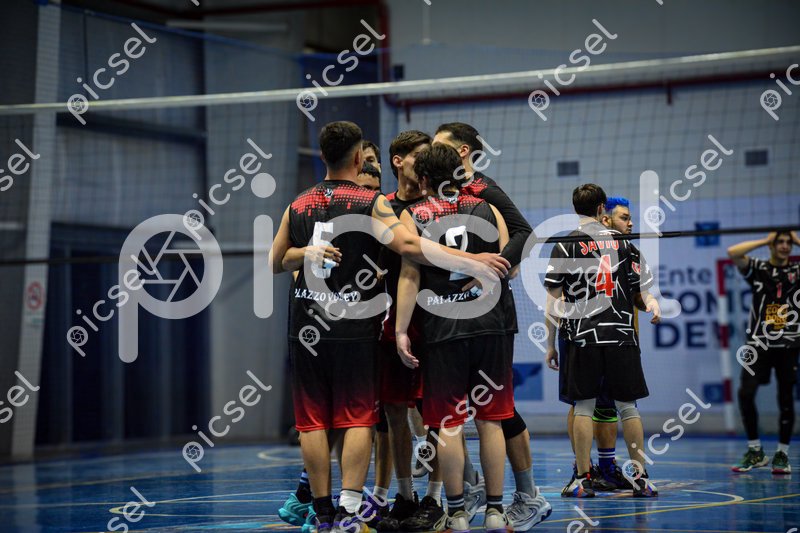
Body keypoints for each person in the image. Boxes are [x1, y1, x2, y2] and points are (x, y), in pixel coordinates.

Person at [271, 121, 510, 533]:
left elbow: (276, 261)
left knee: (312, 422)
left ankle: (323, 511)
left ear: (323, 155)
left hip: (308, 322)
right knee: (360, 418)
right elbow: (410, 247)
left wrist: (306, 251)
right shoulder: (374, 202)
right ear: (359, 157)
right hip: (360, 325)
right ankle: (353, 509)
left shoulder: (298, 202)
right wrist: (475, 262)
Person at [433, 122, 550, 529]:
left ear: (462, 151)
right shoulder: (434, 196)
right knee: (459, 415)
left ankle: (526, 496)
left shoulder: (481, 187)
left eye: (440, 146)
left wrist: (495, 267)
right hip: (447, 318)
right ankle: (472, 492)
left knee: (497, 413)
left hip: (485, 316)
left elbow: (525, 233)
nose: (432, 152)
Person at [395, 143, 515, 533]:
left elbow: (409, 276)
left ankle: (459, 513)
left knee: (449, 423)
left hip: (443, 328)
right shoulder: (488, 209)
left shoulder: (413, 215)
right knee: (491, 421)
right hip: (490, 324)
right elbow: (508, 268)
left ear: (423, 180)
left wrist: (400, 330)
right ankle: (495, 512)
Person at [544, 184, 660, 498]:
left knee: (583, 407)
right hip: (621, 336)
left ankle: (582, 480)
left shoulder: (564, 245)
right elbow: (643, 292)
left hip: (582, 337)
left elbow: (552, 302)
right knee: (628, 407)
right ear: (601, 210)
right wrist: (653, 304)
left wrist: (550, 344)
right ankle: (641, 479)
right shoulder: (625, 245)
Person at [728, 231, 800, 474]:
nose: (784, 246)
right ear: (772, 245)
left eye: (788, 243)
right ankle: (755, 451)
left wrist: (797, 240)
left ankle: (782, 454)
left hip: (788, 344)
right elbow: (733, 252)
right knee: (745, 393)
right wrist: (764, 240)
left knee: (786, 399)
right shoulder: (759, 268)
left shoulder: (797, 270)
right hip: (758, 343)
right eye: (780, 242)